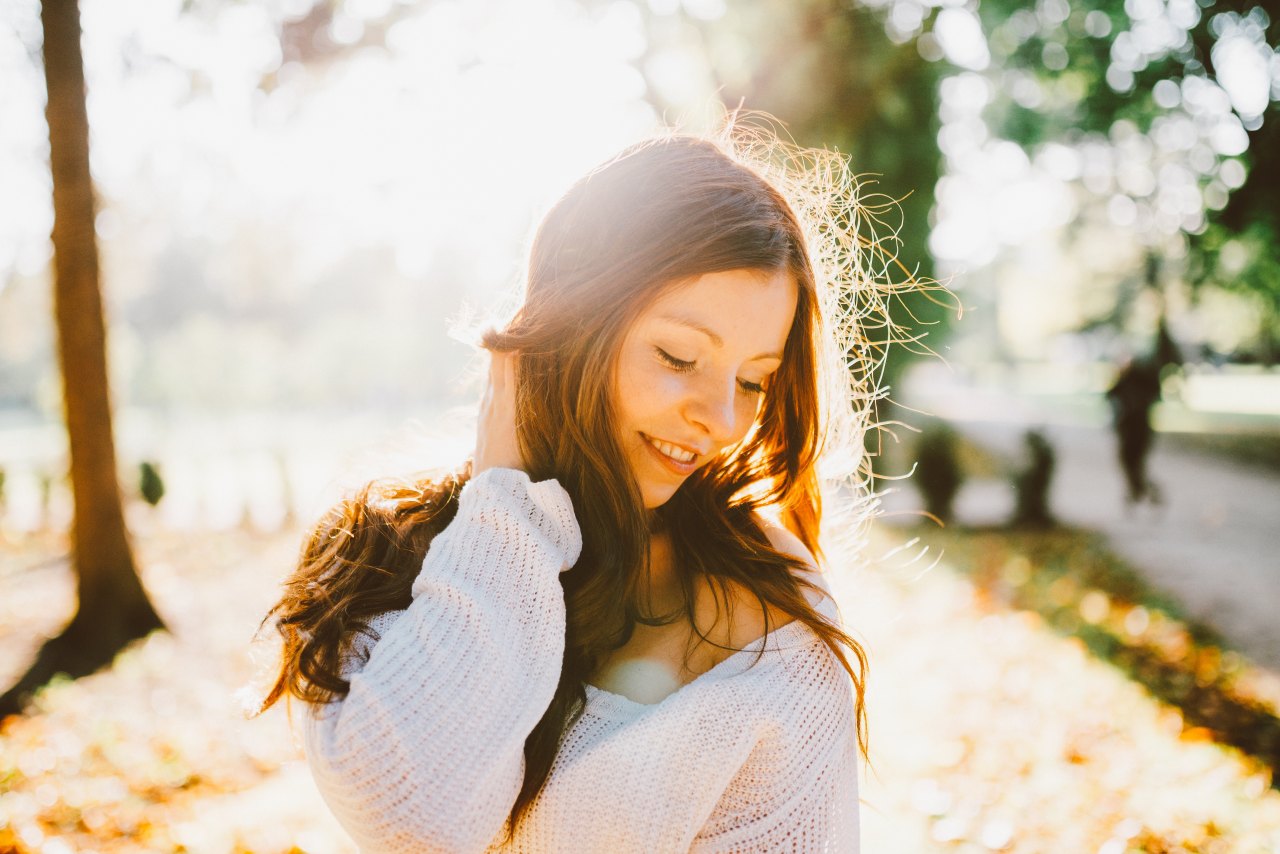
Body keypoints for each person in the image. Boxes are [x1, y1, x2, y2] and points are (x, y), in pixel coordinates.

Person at [257, 125, 896, 852]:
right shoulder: (382, 553)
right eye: (679, 356)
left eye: (753, 380)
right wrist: (506, 505)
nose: (722, 418)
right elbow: (416, 821)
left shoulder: (772, 607)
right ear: (572, 324)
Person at [1105, 356, 1163, 506]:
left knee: (1133, 464)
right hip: (1131, 431)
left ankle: (1140, 490)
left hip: (1136, 431)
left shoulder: (1136, 381)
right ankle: (1139, 490)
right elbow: (1109, 394)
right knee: (1131, 464)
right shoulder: (1126, 381)